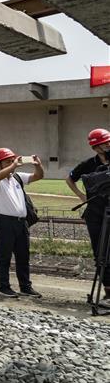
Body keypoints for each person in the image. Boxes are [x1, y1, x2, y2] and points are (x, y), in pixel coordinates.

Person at [0, 148, 43, 298]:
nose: (11, 163)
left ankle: (25, 287)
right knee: (4, 256)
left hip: (21, 223)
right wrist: (13, 166)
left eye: (12, 160)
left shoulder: (18, 178)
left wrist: (38, 165)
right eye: (7, 161)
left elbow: (39, 176)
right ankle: (4, 287)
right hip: (5, 222)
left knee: (23, 256)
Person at [66, 128, 110, 307]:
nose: (108, 144)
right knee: (100, 251)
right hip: (95, 212)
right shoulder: (87, 164)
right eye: (105, 142)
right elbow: (70, 179)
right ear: (95, 147)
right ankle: (108, 291)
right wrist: (81, 197)